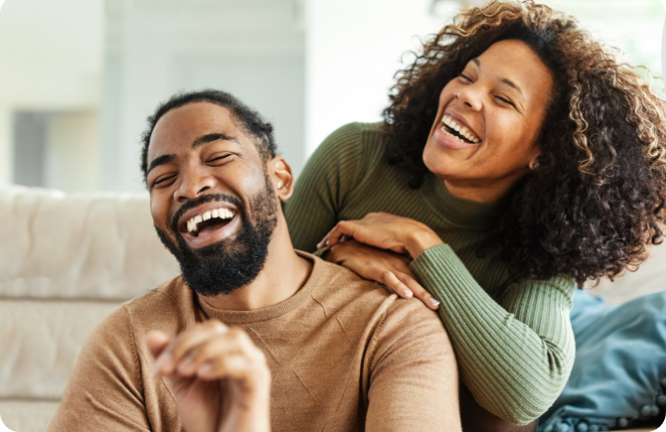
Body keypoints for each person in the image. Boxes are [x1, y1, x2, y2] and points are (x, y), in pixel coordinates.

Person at [285, 0, 666, 428]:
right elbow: (264, 290)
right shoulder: (356, 154)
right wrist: (337, 261)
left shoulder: (546, 241)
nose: (465, 95)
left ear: (545, 151)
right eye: (467, 77)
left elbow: (524, 396)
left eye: (503, 99)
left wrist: (423, 246)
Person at [46, 90, 462, 432]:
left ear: (279, 178)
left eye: (219, 157)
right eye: (163, 179)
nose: (190, 186)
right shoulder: (129, 343)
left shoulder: (392, 326)